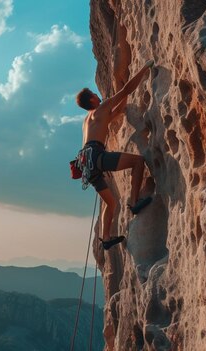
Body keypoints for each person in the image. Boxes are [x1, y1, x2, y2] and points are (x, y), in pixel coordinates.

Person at [76, 60, 154, 250]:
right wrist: (145, 68)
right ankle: (135, 202)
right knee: (138, 162)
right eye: (95, 94)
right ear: (92, 100)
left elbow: (118, 111)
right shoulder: (100, 110)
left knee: (111, 203)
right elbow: (127, 90)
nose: (98, 95)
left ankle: (106, 238)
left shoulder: (88, 120)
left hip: (86, 163)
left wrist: (123, 97)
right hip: (96, 155)